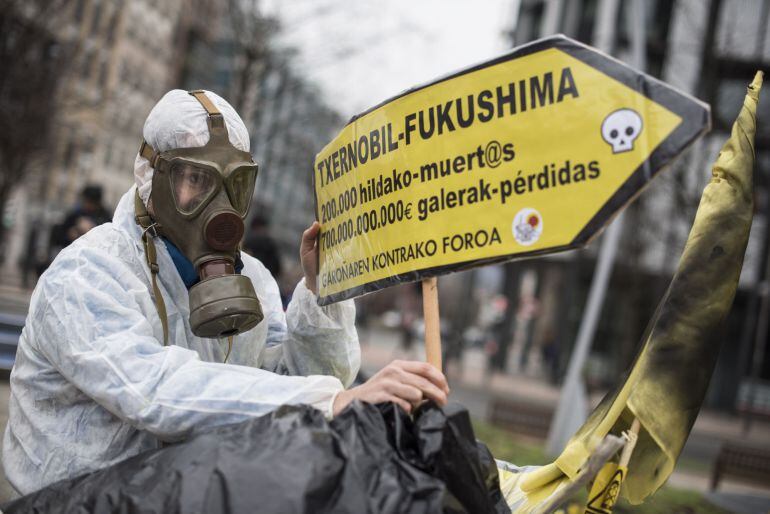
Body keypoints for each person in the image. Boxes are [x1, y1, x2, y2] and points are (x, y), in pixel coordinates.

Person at [3, 90, 448, 495]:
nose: (218, 204)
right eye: (196, 179)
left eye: (234, 184)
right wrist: (327, 400)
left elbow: (296, 378)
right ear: (150, 174)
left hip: (179, 495)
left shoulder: (251, 277)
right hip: (65, 501)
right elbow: (152, 390)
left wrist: (320, 289)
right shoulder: (89, 272)